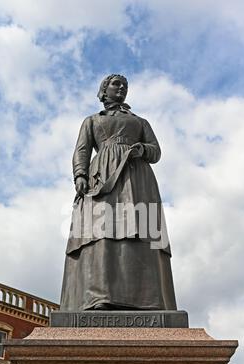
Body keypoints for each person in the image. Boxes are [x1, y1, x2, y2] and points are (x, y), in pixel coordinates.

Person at [60, 74, 177, 311]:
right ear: (104, 90)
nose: (121, 87)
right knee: (100, 230)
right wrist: (80, 175)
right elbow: (81, 150)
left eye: (124, 85)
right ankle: (99, 296)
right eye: (116, 84)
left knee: (141, 229)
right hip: (101, 177)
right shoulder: (92, 120)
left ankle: (148, 298)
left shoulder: (140, 121)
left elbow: (156, 152)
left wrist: (142, 149)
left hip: (138, 178)